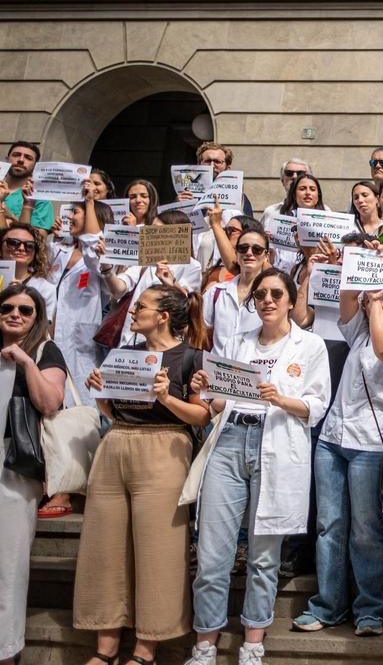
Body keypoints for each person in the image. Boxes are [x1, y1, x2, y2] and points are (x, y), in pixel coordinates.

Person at [183, 268, 330, 665]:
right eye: (261, 294)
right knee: (213, 555)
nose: (267, 300)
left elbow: (316, 407)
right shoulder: (236, 340)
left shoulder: (310, 346)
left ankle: (252, 641)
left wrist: (281, 400)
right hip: (230, 440)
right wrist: (202, 390)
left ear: (289, 299)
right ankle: (205, 646)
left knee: (264, 557)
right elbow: (213, 403)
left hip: (277, 443)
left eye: (276, 294)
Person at [75, 285, 207, 665]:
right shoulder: (124, 354)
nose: (133, 312)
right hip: (117, 443)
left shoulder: (190, 358)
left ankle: (147, 648)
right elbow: (112, 411)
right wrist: (99, 392)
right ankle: (106, 647)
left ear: (163, 316)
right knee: (105, 547)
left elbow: (201, 417)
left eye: (141, 307)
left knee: (158, 549)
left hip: (165, 448)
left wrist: (167, 398)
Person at [293, 286, 383, 636]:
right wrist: (355, 271)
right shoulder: (358, 332)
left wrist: (375, 303)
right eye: (374, 294)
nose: (375, 297)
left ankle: (370, 609)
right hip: (332, 438)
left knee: (366, 531)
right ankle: (328, 605)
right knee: (328, 527)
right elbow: (347, 301)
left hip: (371, 444)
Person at [0, 284, 65, 665]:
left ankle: (7, 651)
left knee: (8, 561)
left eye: (26, 311)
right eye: (8, 307)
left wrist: (24, 361)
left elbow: (50, 402)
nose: (16, 315)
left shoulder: (44, 351)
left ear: (37, 317)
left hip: (13, 465)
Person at [103, 209, 204, 347]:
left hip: (162, 344)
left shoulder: (192, 266)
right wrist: (106, 268)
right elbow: (119, 289)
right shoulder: (146, 260)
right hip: (130, 339)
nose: (151, 235)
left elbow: (187, 305)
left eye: (157, 231)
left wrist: (171, 283)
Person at [50, 197, 111, 395]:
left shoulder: (104, 254)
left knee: (80, 400)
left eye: (75, 212)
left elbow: (94, 251)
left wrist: (90, 202)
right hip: (51, 334)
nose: (69, 216)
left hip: (81, 341)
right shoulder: (60, 251)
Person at [201, 227, 270, 357]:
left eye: (257, 249)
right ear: (237, 254)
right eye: (243, 248)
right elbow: (196, 329)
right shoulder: (216, 292)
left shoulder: (273, 296)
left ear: (266, 256)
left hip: (253, 372)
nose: (249, 253)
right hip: (217, 371)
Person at [180, 142, 253, 216]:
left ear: (227, 168)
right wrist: (177, 206)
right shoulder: (187, 194)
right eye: (207, 161)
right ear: (199, 165)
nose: (211, 166)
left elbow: (248, 226)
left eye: (217, 162)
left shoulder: (239, 198)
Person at [0, 223, 57, 319]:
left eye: (29, 245)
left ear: (35, 252)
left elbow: (43, 328)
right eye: (13, 242)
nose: (21, 248)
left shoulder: (45, 288)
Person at [2, 141, 53, 231]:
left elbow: (40, 239)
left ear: (35, 166)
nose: (21, 160)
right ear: (7, 159)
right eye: (16, 155)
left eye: (28, 158)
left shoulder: (39, 198)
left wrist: (12, 217)